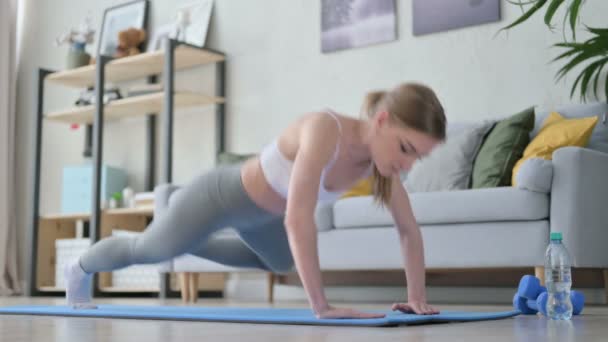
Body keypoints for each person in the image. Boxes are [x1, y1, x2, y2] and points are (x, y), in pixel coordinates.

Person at [65, 82, 447, 319]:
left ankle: (190, 242)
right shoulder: (325, 129)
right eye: (406, 148)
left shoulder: (382, 166)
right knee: (148, 249)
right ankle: (79, 269)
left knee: (280, 260)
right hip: (219, 196)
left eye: (418, 157)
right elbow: (298, 220)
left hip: (262, 219)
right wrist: (322, 307)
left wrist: (416, 298)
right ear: (381, 121)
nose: (408, 163)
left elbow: (408, 231)